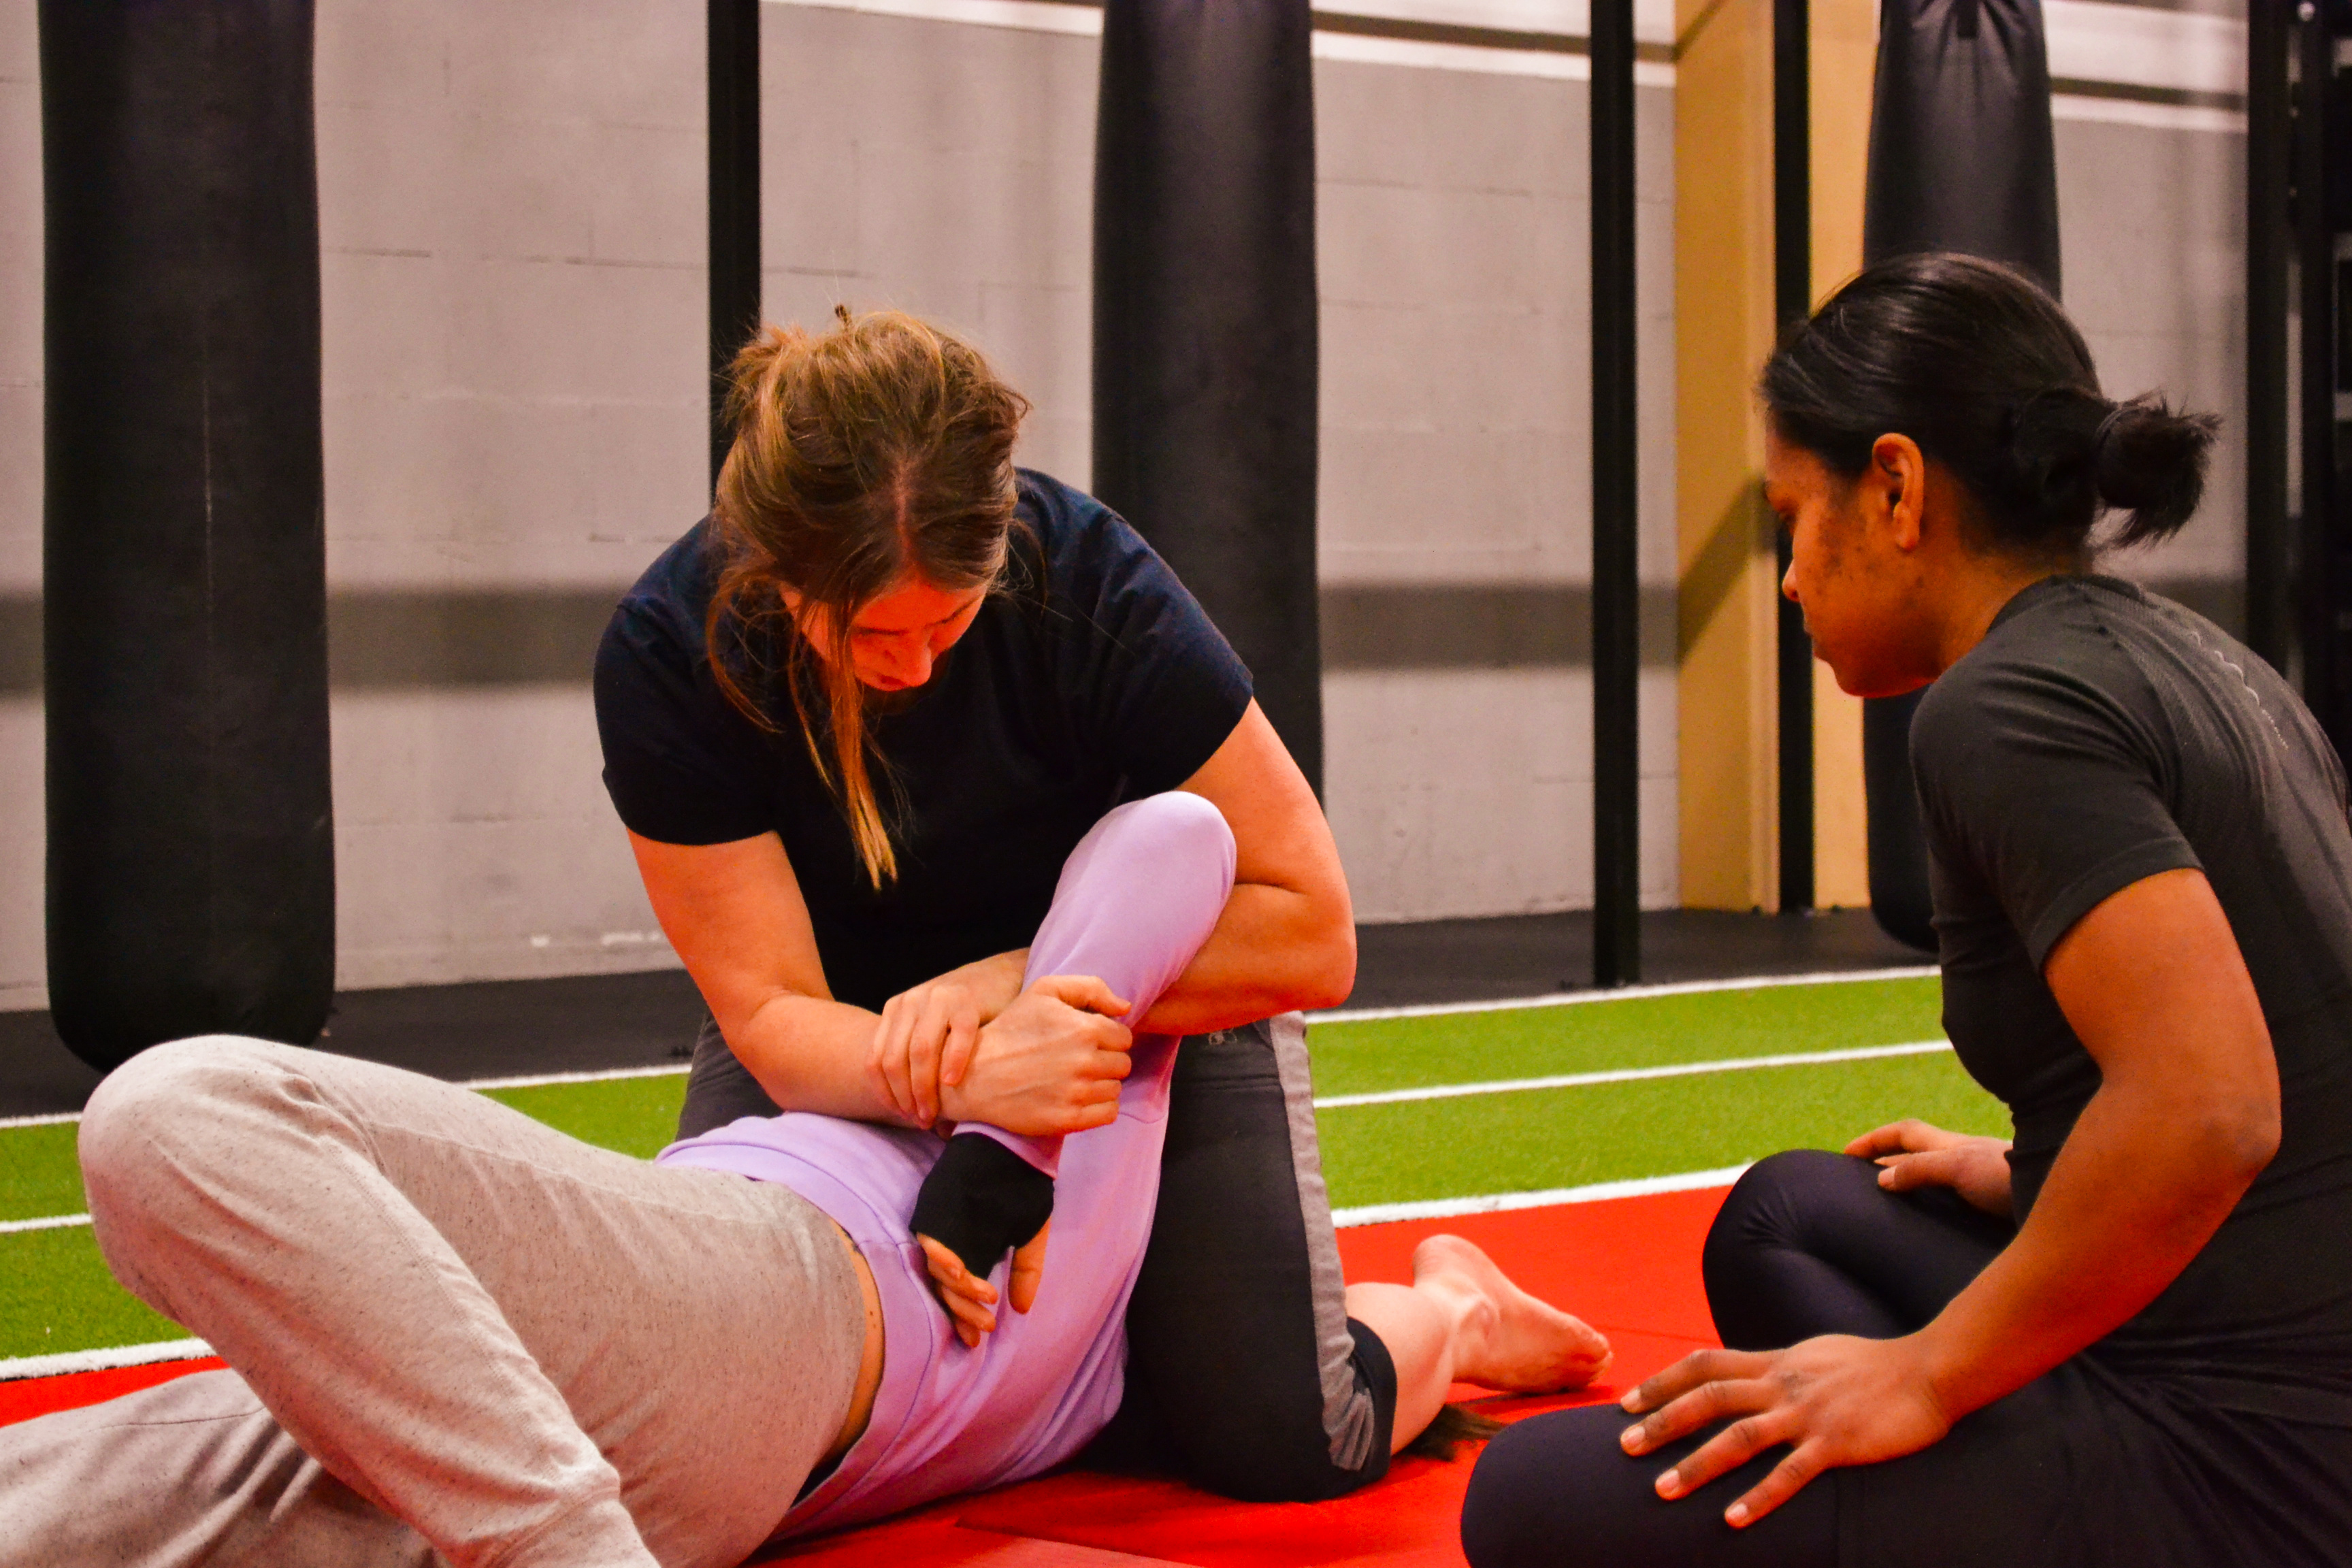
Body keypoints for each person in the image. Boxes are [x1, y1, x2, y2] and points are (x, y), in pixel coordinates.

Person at [0, 791, 1610, 1568]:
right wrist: (962, 1053)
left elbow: (1180, 834)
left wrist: (1012, 1001)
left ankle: (1460, 1314)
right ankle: (1460, 1308)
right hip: (704, 1325)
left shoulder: (1113, 1072)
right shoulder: (942, 1097)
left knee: (172, 1110)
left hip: (724, 1390)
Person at [1460, 254, 2352, 1567]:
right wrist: (2038, 1172)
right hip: (2266, 1353)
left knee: (1524, 1495)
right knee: (1785, 1215)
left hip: (2256, 1458)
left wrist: (1928, 1375)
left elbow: (2216, 1108)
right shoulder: (2202, 658)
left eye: (1791, 519)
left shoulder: (2002, 709)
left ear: (1895, 488)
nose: (1788, 579)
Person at [591, 307, 1403, 1499]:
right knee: (718, 1398)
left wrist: (1011, 993)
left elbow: (1314, 934)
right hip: (841, 1017)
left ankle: (1456, 1312)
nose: (916, 665)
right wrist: (967, 1077)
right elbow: (768, 1010)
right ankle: (1113, 1346)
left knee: (1285, 1436)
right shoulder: (672, 652)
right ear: (774, 573)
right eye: (872, 632)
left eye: (951, 619)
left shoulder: (1089, 581)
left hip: (1131, 992)